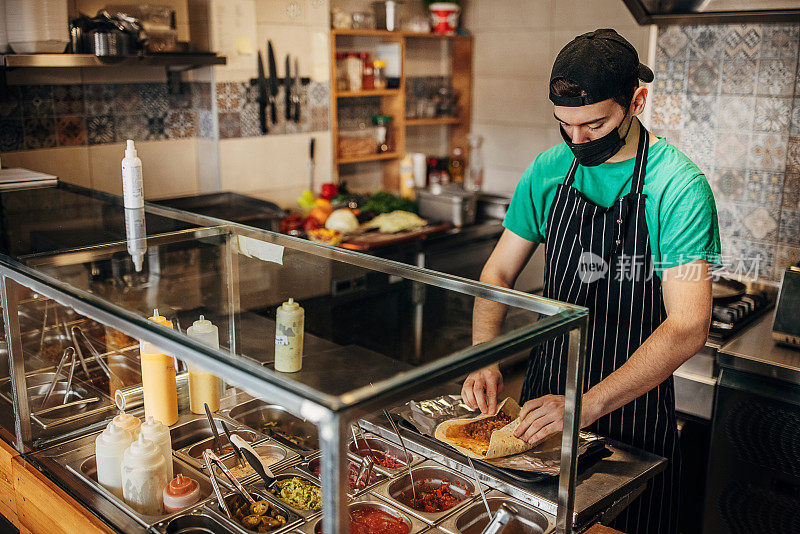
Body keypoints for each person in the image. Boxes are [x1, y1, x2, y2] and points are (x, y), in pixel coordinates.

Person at [462, 29, 720, 534]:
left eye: (595, 123)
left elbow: (690, 325)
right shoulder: (549, 170)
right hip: (543, 398)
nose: (578, 140)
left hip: (632, 411)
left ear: (637, 101)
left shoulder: (679, 187)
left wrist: (588, 404)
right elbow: (497, 272)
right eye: (565, 125)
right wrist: (483, 357)